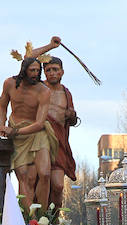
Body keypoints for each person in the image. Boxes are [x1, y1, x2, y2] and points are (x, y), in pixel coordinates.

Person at [0, 39, 62, 210]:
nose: (35, 73)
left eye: (38, 70)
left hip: (36, 132)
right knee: (24, 176)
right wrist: (1, 125)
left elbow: (40, 123)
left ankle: (43, 217)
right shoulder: (9, 83)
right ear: (24, 70)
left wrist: (14, 132)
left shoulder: (43, 91)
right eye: (32, 70)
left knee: (45, 173)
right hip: (16, 132)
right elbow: (2, 107)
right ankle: (29, 219)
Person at [43, 56, 77, 209]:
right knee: (41, 182)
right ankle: (38, 223)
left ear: (62, 72)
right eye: (48, 70)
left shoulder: (67, 92)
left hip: (60, 144)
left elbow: (73, 120)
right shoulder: (39, 88)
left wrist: (72, 115)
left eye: (55, 69)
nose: (52, 73)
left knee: (57, 186)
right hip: (41, 141)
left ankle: (55, 224)